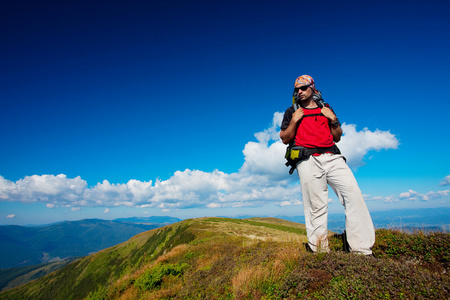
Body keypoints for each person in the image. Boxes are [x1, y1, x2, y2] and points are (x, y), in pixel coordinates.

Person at [280, 75, 375, 255]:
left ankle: (362, 249)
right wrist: (294, 120)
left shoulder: (326, 108)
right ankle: (320, 253)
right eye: (297, 89)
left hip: (332, 156)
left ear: (313, 88)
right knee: (315, 206)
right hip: (307, 159)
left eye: (303, 88)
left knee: (353, 194)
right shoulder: (291, 111)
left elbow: (337, 136)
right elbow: (285, 138)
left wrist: (333, 119)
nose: (299, 92)